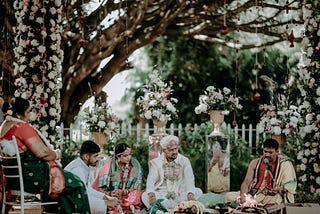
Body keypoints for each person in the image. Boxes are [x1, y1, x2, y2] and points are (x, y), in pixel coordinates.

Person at [0, 97, 91, 213]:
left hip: (14, 180)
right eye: (28, 112)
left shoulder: (3, 127)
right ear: (18, 114)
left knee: (64, 184)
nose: (30, 115)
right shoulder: (21, 127)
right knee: (77, 183)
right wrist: (56, 154)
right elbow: (42, 153)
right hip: (31, 179)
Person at [141, 135, 203, 212]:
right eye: (170, 150)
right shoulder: (156, 162)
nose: (174, 152)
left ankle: (166, 208)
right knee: (145, 196)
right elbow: (150, 181)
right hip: (163, 194)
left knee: (198, 192)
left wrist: (190, 194)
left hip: (179, 194)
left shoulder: (184, 161)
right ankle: (178, 208)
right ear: (164, 150)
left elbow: (189, 178)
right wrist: (152, 196)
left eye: (176, 149)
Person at [65, 140, 119, 214]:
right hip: (70, 202)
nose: (97, 159)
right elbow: (82, 195)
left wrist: (105, 197)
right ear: (86, 157)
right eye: (95, 156)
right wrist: (105, 203)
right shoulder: (78, 169)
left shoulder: (82, 165)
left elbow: (87, 189)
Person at [239, 138, 297, 205]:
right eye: (265, 152)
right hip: (255, 193)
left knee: (275, 201)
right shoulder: (255, 162)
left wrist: (278, 189)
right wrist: (243, 196)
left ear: (277, 151)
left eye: (270, 152)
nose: (267, 155)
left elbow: (289, 185)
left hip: (272, 196)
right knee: (229, 197)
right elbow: (246, 182)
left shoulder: (284, 164)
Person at [92, 143, 144, 214]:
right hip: (112, 196)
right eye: (125, 155)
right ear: (118, 156)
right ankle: (120, 207)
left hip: (128, 195)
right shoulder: (108, 166)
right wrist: (111, 193)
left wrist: (124, 191)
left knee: (138, 194)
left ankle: (123, 207)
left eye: (130, 154)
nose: (129, 157)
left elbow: (136, 187)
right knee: (103, 199)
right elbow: (100, 189)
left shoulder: (135, 165)